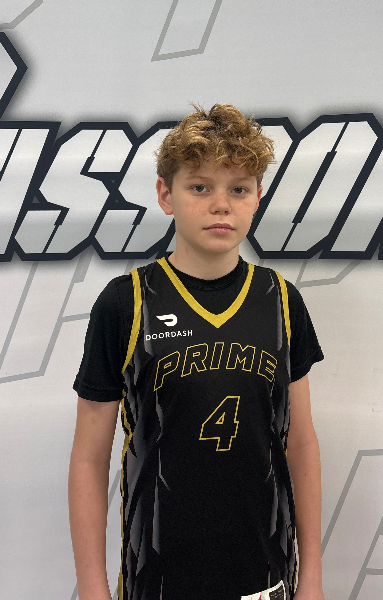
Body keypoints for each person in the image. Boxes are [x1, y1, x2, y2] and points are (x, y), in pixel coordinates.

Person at [69, 104, 325, 600]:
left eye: (239, 189)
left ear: (257, 198)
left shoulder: (281, 300)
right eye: (200, 187)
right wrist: (93, 589)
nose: (221, 205)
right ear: (166, 195)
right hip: (159, 579)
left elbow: (301, 443)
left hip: (264, 575)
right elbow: (88, 457)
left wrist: (311, 577)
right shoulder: (127, 303)